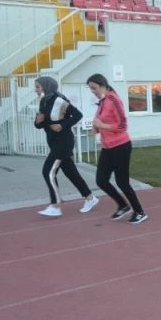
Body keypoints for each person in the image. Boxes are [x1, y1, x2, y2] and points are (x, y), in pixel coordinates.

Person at [34, 76, 99, 217]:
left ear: (46, 87)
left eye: (38, 87)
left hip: (64, 142)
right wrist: (37, 121)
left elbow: (77, 115)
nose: (35, 90)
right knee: (71, 172)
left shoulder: (59, 100)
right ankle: (90, 198)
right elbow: (42, 124)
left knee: (48, 171)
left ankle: (55, 205)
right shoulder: (43, 101)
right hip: (53, 142)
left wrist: (62, 125)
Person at [88, 73, 148, 224]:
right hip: (107, 147)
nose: (92, 91)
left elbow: (122, 126)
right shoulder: (102, 101)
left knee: (122, 182)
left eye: (94, 88)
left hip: (121, 146)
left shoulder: (113, 99)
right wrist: (96, 128)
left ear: (102, 85)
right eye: (91, 89)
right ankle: (122, 205)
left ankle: (139, 212)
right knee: (101, 181)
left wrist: (102, 126)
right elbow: (102, 121)